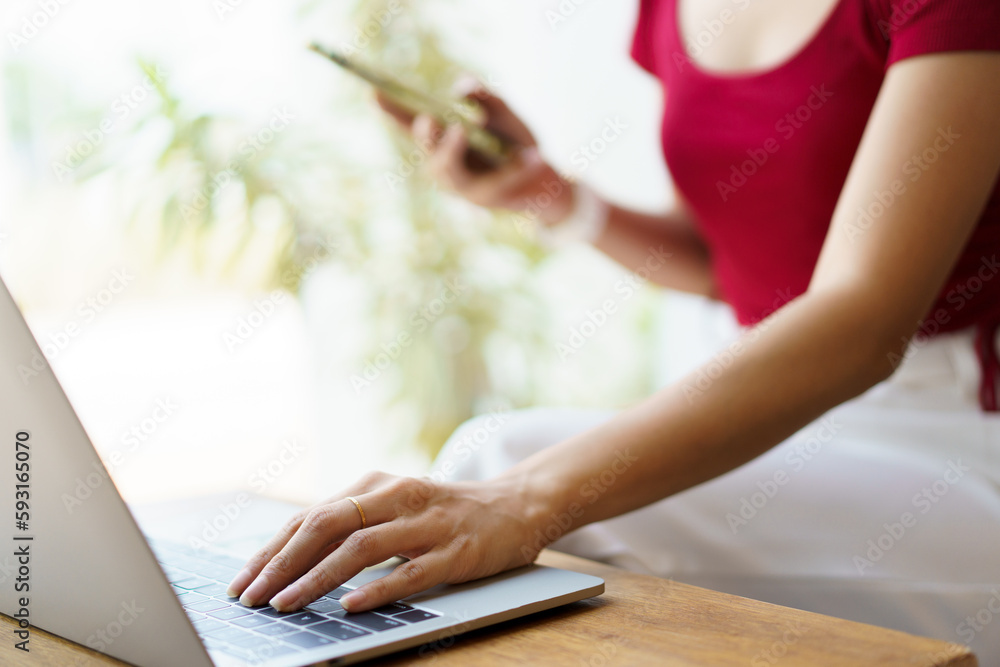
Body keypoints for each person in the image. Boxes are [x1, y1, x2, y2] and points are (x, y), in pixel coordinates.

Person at [229, 0, 1000, 658]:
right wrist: (552, 198)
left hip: (948, 438)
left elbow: (864, 321)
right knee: (493, 466)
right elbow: (720, 261)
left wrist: (524, 499)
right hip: (780, 422)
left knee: (496, 464)